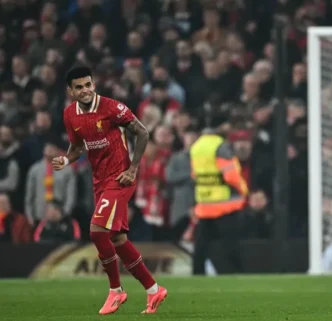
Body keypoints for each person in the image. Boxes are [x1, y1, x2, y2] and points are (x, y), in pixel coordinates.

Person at [52, 66, 168, 315]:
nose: (85, 90)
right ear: (71, 91)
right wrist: (65, 160)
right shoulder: (69, 114)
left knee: (96, 232)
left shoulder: (112, 107)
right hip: (100, 181)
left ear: (94, 85)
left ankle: (116, 290)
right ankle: (153, 289)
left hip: (121, 177)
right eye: (79, 87)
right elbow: (76, 148)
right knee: (117, 239)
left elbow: (142, 132)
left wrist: (134, 169)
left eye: (88, 85)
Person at [191, 128, 248, 275]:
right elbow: (231, 175)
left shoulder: (196, 147)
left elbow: (194, 174)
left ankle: (197, 275)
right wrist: (243, 190)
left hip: (204, 203)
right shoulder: (220, 147)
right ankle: (237, 274)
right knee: (231, 244)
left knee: (201, 246)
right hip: (224, 204)